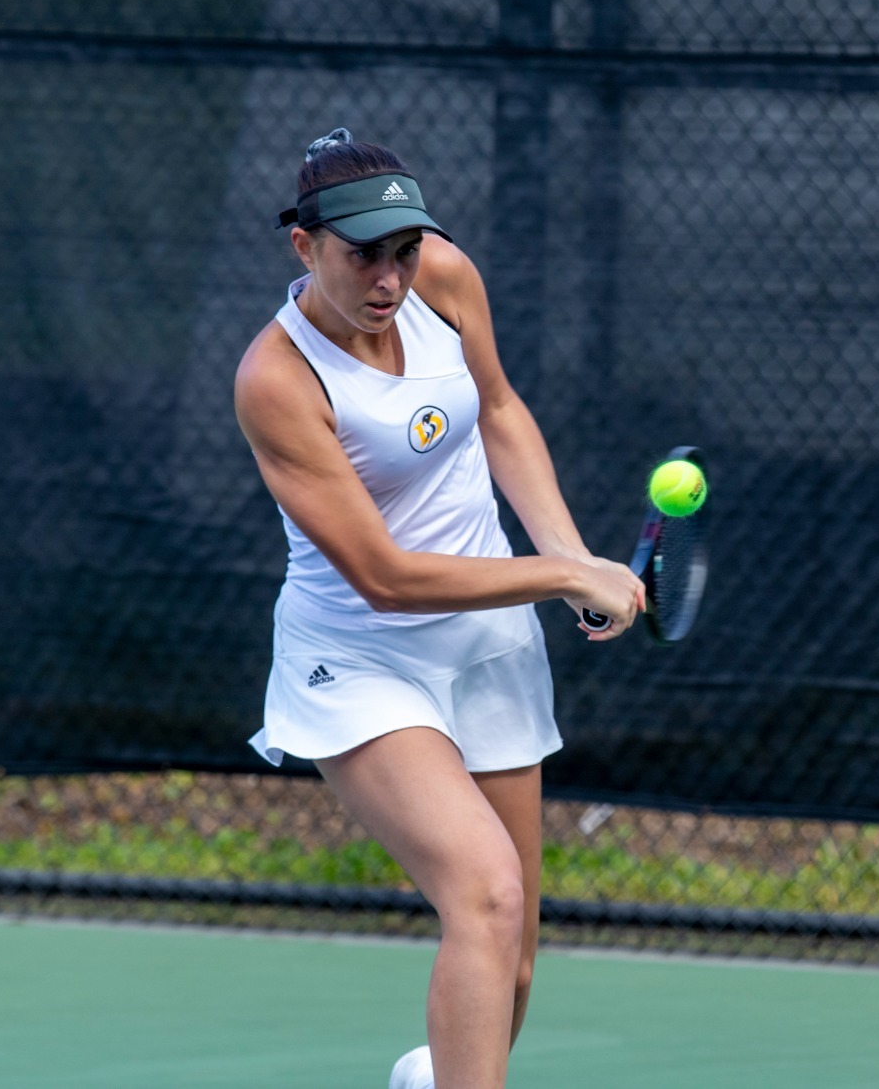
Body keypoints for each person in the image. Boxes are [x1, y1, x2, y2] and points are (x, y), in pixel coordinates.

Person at [233, 128, 644, 1089]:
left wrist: (568, 548)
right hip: (362, 660)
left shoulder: (444, 279)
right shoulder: (276, 381)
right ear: (305, 246)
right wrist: (562, 578)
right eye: (362, 254)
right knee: (486, 895)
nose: (389, 277)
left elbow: (496, 409)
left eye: (404, 249)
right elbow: (386, 575)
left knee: (517, 962)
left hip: (487, 641)